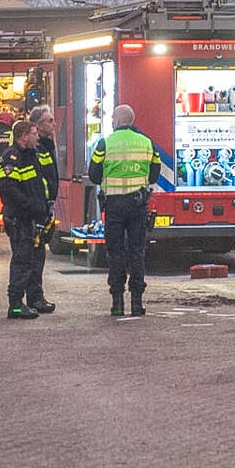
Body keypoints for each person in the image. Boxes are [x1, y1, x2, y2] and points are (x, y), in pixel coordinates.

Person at [87, 103, 161, 317]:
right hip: (138, 205)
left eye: (112, 119)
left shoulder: (104, 144)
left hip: (114, 206)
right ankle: (137, 303)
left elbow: (93, 174)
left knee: (116, 252)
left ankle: (117, 302)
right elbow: (155, 174)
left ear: (118, 121)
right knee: (137, 252)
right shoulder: (147, 143)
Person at [0, 116, 52, 319]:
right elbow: (9, 190)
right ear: (23, 136)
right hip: (20, 218)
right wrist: (30, 207)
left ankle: (35, 299)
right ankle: (16, 305)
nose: (38, 137)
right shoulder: (11, 158)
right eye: (34, 134)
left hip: (34, 217)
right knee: (22, 261)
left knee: (36, 259)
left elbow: (39, 185)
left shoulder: (31, 155)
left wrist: (44, 208)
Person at [25, 105, 60, 314]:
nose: (53, 124)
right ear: (37, 125)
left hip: (44, 208)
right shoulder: (36, 150)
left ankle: (36, 297)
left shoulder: (46, 146)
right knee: (33, 256)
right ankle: (34, 298)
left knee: (39, 255)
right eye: (49, 121)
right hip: (36, 210)